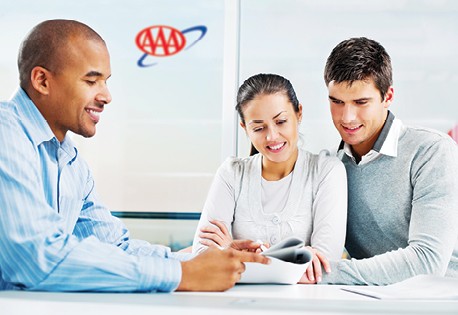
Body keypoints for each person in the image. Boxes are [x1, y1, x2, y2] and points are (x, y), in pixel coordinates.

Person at [0, 19, 269, 292]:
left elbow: (115, 246)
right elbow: (34, 258)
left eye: (105, 82)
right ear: (42, 80)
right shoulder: (6, 134)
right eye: (91, 81)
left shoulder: (69, 160)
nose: (106, 96)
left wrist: (204, 261)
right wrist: (182, 273)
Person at [322, 37, 458, 285]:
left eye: (361, 102)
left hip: (442, 301)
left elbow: (427, 262)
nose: (347, 117)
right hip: (370, 300)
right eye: (337, 102)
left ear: (388, 96)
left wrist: (325, 273)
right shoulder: (329, 164)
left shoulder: (431, 152)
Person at [192, 73, 348, 283]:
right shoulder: (231, 173)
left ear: (298, 113)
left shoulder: (327, 171)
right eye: (258, 127)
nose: (272, 136)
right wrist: (293, 262)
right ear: (244, 128)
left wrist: (232, 253)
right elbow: (202, 257)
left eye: (281, 121)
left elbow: (323, 267)